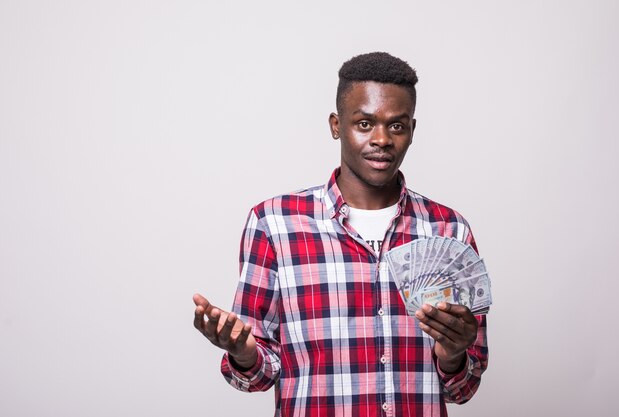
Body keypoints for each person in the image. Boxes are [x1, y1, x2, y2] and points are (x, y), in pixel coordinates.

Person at [193, 52, 488, 417]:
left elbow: (463, 389)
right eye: (364, 124)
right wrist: (244, 353)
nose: (381, 139)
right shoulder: (274, 224)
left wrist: (454, 353)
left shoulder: (449, 229)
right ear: (336, 125)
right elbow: (258, 375)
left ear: (412, 131)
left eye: (396, 126)